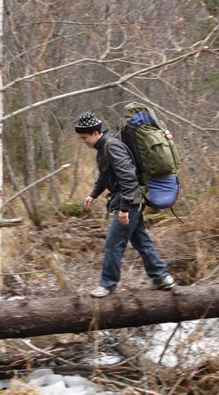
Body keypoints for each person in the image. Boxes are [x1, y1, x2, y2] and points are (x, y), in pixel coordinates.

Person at [75, 112, 175, 297]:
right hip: (130, 200)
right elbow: (107, 175)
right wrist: (93, 194)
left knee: (114, 243)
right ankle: (162, 277)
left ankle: (107, 284)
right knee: (141, 241)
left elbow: (129, 178)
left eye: (84, 137)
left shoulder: (111, 147)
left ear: (96, 132)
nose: (84, 141)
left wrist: (124, 209)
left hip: (130, 201)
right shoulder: (104, 147)